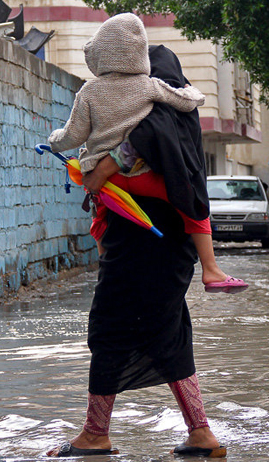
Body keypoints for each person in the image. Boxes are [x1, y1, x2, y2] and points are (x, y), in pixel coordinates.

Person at [45, 45, 227, 459]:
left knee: (109, 326)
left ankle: (96, 433)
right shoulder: (176, 113)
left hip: (148, 240)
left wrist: (101, 169)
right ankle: (200, 433)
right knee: (169, 331)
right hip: (163, 241)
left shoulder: (160, 115)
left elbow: (140, 141)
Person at [48, 13, 246, 293]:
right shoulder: (149, 86)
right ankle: (211, 269)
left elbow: (72, 135)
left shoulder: (89, 92)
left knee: (99, 217)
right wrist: (193, 93)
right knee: (193, 207)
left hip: (105, 182)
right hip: (144, 178)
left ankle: (106, 260)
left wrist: (54, 141)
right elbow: (184, 100)